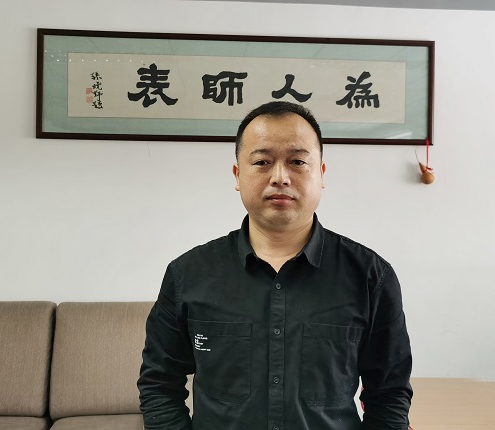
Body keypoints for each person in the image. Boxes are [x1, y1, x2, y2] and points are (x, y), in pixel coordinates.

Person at [138, 101, 413, 430]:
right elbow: (159, 385)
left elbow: (389, 393)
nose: (280, 177)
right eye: (262, 162)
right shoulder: (188, 274)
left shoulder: (370, 277)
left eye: (297, 161)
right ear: (238, 175)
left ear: (321, 174)